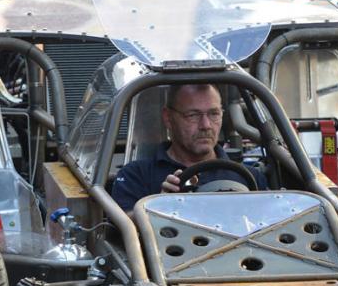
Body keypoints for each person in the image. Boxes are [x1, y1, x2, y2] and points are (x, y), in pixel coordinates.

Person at [111, 84, 267, 212]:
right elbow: (120, 230)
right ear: (168, 118)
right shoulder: (136, 175)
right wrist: (159, 207)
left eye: (214, 114)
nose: (206, 125)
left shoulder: (250, 177)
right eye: (193, 115)